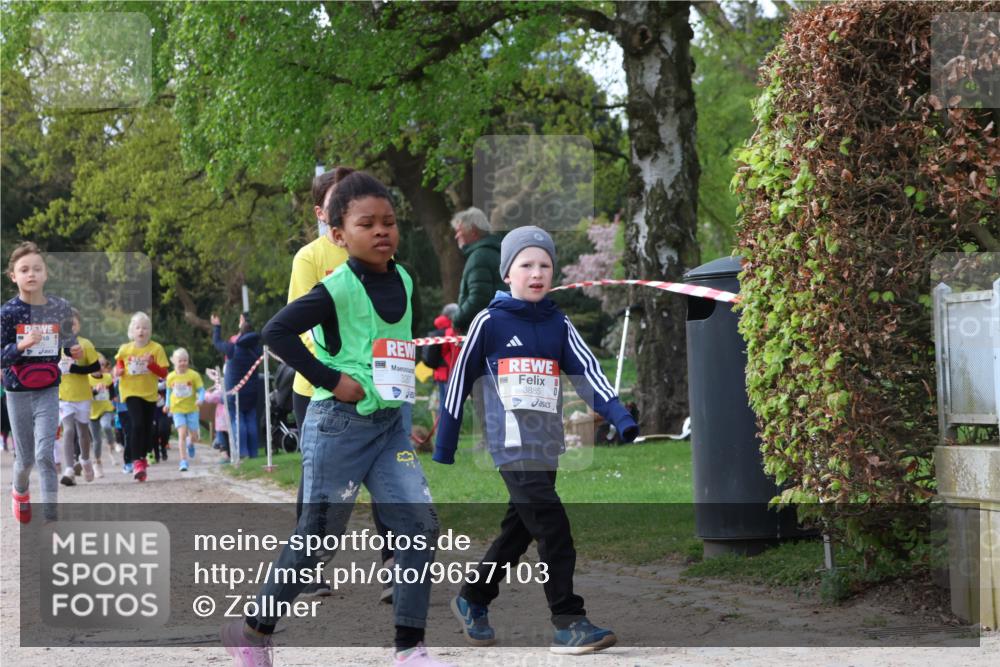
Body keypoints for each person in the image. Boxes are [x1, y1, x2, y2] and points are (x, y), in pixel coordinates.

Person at [221, 168, 451, 667]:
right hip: (338, 427)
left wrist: (409, 395)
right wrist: (332, 380)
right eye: (367, 224)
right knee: (317, 540)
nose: (382, 231)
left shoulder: (406, 279)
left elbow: (395, 347)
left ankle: (410, 650)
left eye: (389, 221)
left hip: (390, 427)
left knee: (420, 526)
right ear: (339, 234)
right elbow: (276, 333)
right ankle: (253, 631)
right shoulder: (336, 286)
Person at [434, 226, 639, 655]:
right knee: (551, 525)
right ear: (507, 273)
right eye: (526, 264)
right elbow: (458, 380)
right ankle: (569, 620)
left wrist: (620, 417)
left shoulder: (558, 323)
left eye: (544, 264)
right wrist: (445, 442)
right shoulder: (489, 322)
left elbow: (590, 374)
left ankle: (472, 598)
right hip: (510, 447)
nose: (536, 272)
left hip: (547, 445)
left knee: (519, 530)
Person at [1, 241, 81, 522]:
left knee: (45, 453)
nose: (31, 274)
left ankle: (51, 518)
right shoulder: (8, 313)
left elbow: (68, 340)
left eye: (37, 269)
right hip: (18, 391)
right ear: (14, 276)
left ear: (46, 274)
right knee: (25, 460)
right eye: (24, 270)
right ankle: (19, 491)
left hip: (48, 388)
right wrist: (21, 346)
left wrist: (74, 349)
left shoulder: (60, 307)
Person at [113, 311, 168, 482]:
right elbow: (119, 366)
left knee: (146, 428)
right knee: (136, 424)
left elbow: (164, 373)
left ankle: (143, 458)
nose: (141, 331)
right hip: (130, 391)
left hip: (149, 393)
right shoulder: (125, 349)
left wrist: (151, 365)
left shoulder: (156, 349)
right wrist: (119, 371)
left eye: (144, 328)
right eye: (137, 327)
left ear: (149, 331)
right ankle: (136, 461)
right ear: (132, 331)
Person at [57, 308, 101, 486]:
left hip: (82, 395)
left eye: (73, 323)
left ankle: (85, 460)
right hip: (64, 395)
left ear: (79, 325)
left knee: (83, 431)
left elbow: (95, 367)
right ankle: (69, 469)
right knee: (68, 430)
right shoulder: (56, 345)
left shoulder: (86, 344)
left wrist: (74, 369)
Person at [211, 312, 262, 459]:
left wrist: (217, 327)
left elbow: (217, 342)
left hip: (235, 392)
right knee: (251, 420)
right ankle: (253, 453)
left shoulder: (232, 348)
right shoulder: (257, 350)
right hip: (252, 392)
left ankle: (242, 453)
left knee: (237, 420)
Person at [450, 207, 506, 332]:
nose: (456, 236)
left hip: (485, 331)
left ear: (473, 231)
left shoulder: (478, 257)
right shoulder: (497, 253)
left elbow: (478, 298)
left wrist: (457, 320)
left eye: (459, 231)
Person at [165, 347, 204, 472]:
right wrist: (167, 404)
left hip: (192, 409)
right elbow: (169, 391)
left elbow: (201, 390)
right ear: (174, 362)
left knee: (194, 435)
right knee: (182, 434)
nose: (183, 363)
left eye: (185, 360)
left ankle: (191, 443)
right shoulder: (170, 377)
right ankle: (183, 461)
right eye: (180, 360)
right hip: (178, 410)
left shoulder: (193, 375)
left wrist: (201, 399)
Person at [88, 356, 116, 478]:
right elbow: (86, 396)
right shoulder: (86, 379)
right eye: (98, 364)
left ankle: (111, 442)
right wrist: (95, 391)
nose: (100, 367)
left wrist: (114, 398)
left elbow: (112, 391)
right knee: (96, 440)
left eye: (103, 365)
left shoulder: (108, 377)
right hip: (92, 412)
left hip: (106, 409)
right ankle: (97, 463)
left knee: (106, 426)